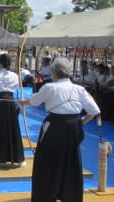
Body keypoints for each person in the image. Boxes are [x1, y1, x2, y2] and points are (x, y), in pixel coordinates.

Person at [19, 58, 99, 202]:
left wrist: (24, 102)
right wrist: (81, 123)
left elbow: (35, 100)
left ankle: (45, 196)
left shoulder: (50, 87)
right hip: (73, 127)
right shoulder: (79, 89)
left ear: (54, 74)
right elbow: (94, 110)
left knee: (46, 161)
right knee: (71, 161)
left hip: (54, 126)